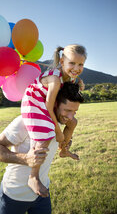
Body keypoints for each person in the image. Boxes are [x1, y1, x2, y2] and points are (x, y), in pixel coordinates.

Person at [0, 82, 84, 214]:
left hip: (42, 193)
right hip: (14, 194)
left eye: (74, 111)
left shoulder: (58, 124)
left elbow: (69, 127)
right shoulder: (25, 122)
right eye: (67, 110)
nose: (70, 116)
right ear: (54, 104)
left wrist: (65, 147)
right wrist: (26, 159)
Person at [21, 44, 87, 197]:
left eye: (81, 64)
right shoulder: (55, 80)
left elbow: (69, 87)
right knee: (45, 134)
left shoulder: (70, 77)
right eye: (72, 63)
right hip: (33, 102)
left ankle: (63, 151)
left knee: (73, 122)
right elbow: (49, 107)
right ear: (62, 61)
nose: (76, 68)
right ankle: (33, 176)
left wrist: (78, 83)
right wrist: (58, 132)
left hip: (45, 102)